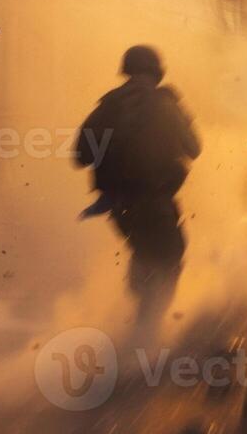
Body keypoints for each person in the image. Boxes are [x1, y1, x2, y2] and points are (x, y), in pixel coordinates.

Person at [75, 45, 200, 327]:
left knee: (143, 249)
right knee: (170, 256)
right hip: (155, 202)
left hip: (120, 207)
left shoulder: (108, 106)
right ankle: (147, 331)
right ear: (157, 72)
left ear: (127, 71)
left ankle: (140, 304)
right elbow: (194, 148)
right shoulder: (165, 104)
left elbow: (80, 155)